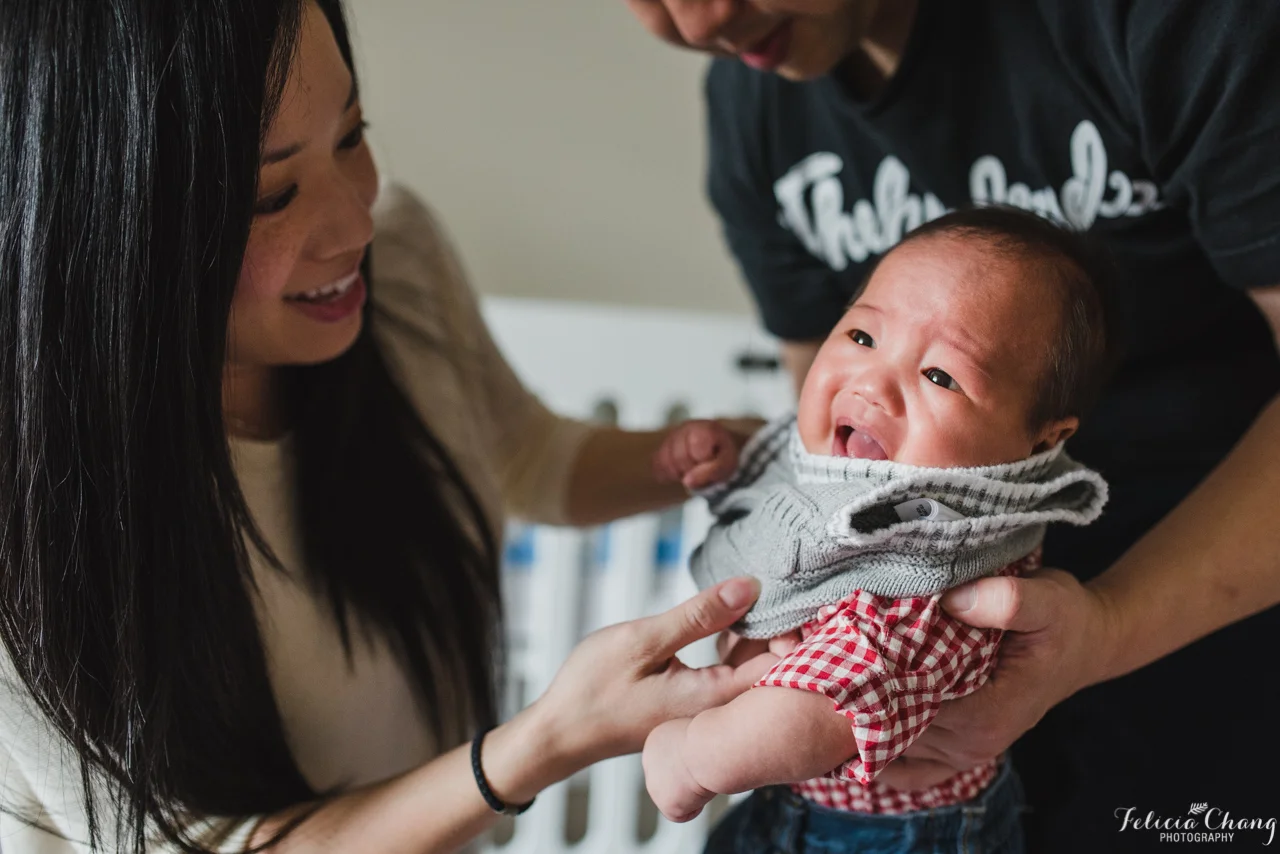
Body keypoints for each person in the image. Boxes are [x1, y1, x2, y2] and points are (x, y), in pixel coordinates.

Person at [0, 2, 773, 852]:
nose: (356, 222)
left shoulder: (397, 265)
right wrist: (544, 741)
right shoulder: (29, 530)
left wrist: (728, 454)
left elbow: (523, 454)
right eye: (273, 194)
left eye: (352, 134)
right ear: (108, 219)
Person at [625, 1, 1280, 850]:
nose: (701, 18)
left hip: (1202, 636)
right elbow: (832, 433)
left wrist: (1106, 630)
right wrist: (750, 471)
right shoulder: (757, 105)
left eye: (938, 373)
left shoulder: (1165, 25)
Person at [641, 207, 1111, 852]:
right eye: (863, 337)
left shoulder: (938, 550)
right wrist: (729, 468)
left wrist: (696, 758)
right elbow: (789, 508)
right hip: (791, 802)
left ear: (1040, 440)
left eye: (940, 376)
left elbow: (830, 708)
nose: (873, 385)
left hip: (900, 834)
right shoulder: (849, 468)